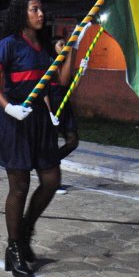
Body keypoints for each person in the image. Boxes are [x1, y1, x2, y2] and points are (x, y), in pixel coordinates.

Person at [0, 0, 73, 277]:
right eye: (35, 9)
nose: (41, 14)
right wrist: (8, 107)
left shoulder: (44, 47)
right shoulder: (10, 44)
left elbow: (61, 81)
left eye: (41, 9)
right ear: (22, 13)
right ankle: (14, 249)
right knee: (19, 186)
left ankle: (25, 232)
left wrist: (71, 51)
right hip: (15, 121)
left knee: (51, 180)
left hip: (40, 122)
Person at [49, 36, 88, 194]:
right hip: (52, 105)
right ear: (54, 47)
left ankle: (50, 160)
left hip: (65, 106)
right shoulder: (50, 63)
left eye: (65, 44)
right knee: (52, 144)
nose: (64, 47)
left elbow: (71, 90)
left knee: (73, 141)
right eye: (61, 44)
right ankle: (54, 184)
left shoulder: (66, 65)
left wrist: (81, 73)